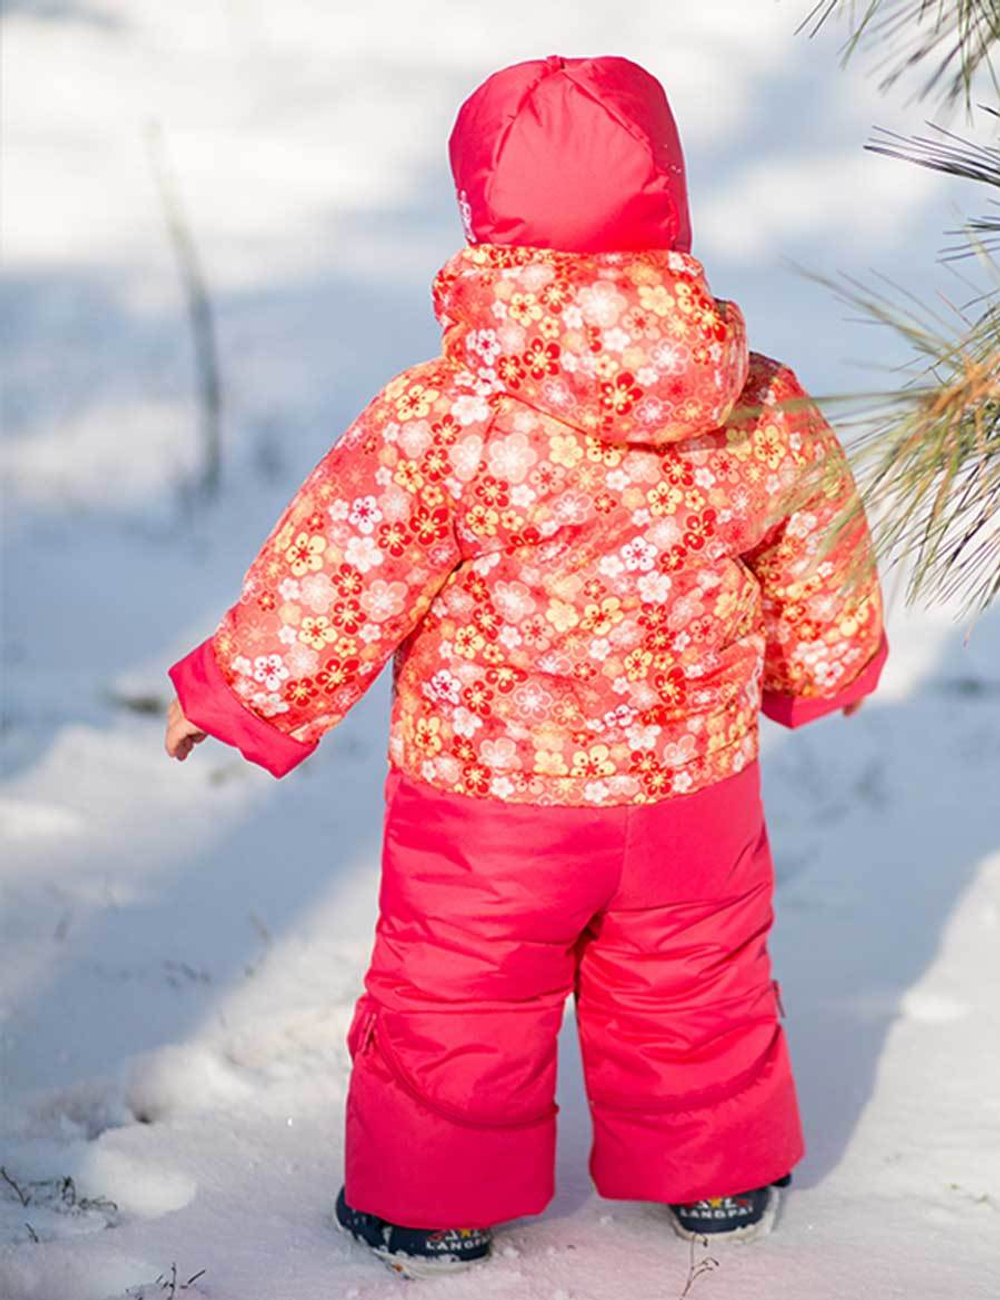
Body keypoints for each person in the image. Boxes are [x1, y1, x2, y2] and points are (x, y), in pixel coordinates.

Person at [165, 54, 888, 1279]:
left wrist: (239, 692)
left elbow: (344, 566)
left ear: (481, 214)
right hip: (687, 793)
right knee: (693, 982)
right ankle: (719, 1178)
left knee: (456, 993)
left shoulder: (443, 415)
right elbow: (819, 544)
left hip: (489, 804)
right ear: (672, 202)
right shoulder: (757, 399)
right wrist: (822, 667)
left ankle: (430, 1202)